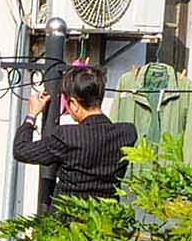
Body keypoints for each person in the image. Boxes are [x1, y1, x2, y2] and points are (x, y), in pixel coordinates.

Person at [11, 60, 126, 202]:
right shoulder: (127, 134)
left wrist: (31, 115)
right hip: (106, 218)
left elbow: (21, 150)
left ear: (73, 104)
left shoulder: (67, 136)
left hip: (69, 218)